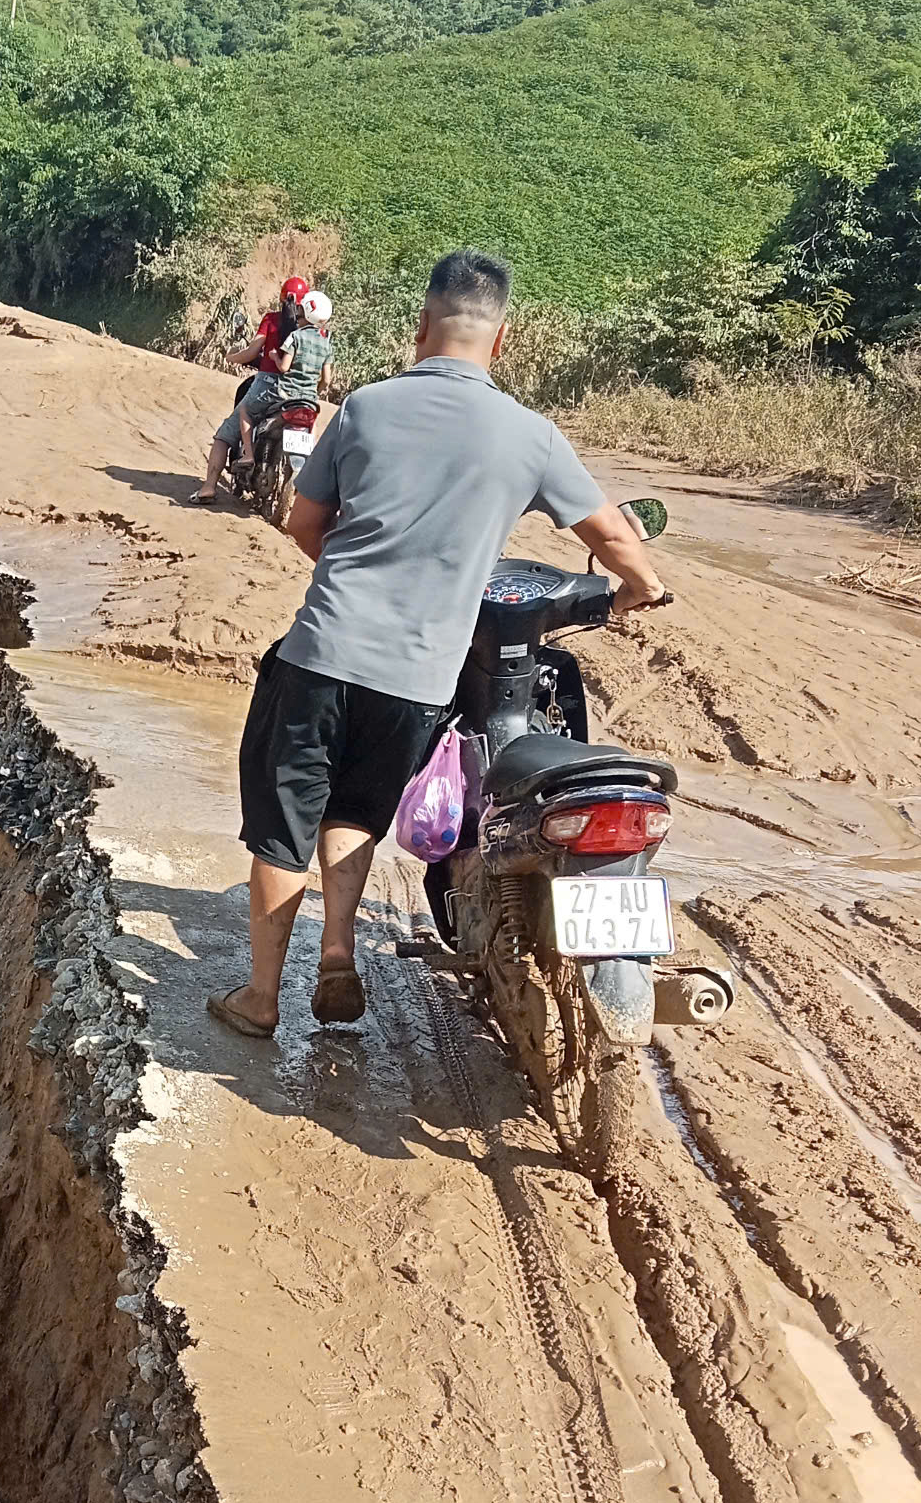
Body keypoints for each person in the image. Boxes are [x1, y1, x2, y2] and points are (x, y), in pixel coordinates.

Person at [206, 248, 669, 1038]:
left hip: (323, 652)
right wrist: (638, 591)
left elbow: (303, 523)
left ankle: (258, 999)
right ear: (504, 339)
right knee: (355, 807)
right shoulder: (534, 437)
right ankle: (339, 949)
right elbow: (619, 540)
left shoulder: (366, 409)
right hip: (418, 681)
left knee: (286, 825)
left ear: (422, 326)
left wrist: (358, 572)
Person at [193, 287, 334, 504]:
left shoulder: (275, 321)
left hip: (271, 385)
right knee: (311, 422)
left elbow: (254, 353)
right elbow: (326, 379)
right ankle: (310, 460)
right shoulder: (322, 338)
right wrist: (317, 388)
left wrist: (232, 357)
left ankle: (209, 486)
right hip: (307, 396)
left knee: (228, 431)